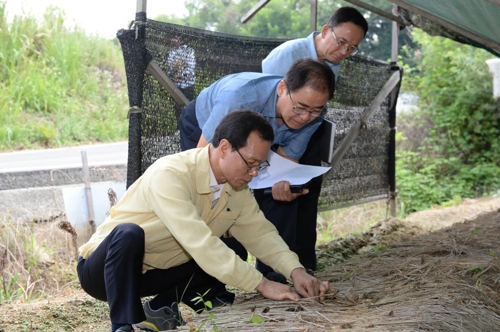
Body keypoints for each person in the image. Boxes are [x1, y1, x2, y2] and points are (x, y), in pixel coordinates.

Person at [77, 110, 331, 332]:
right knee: (129, 234)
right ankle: (122, 326)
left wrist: (295, 271)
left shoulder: (237, 187)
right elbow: (199, 242)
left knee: (234, 248)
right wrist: (262, 284)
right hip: (106, 272)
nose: (254, 174)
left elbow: (261, 233)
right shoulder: (170, 174)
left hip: (155, 270)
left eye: (259, 167)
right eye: (250, 164)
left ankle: (164, 305)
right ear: (224, 148)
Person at [177, 58, 336, 284]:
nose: (305, 117)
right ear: (283, 89)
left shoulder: (313, 115)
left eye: (315, 110)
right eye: (300, 107)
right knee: (211, 197)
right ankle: (205, 284)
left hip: (259, 142)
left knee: (278, 198)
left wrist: (281, 185)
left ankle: (274, 271)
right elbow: (204, 160)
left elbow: (283, 163)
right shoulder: (240, 99)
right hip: (204, 130)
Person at [259, 7, 369, 281]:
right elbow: (276, 106)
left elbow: (314, 112)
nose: (344, 51)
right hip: (278, 134)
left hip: (309, 132)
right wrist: (281, 158)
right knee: (277, 196)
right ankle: (273, 269)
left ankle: (303, 261)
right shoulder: (289, 54)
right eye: (341, 42)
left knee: (305, 193)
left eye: (352, 48)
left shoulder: (334, 64)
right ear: (324, 31)